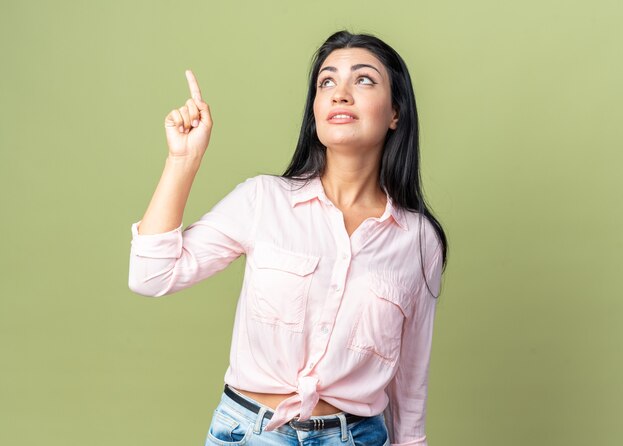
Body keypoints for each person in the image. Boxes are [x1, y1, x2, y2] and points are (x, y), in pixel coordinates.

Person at [128, 30, 448, 446]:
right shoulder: (264, 199)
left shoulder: (419, 241)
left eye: (364, 80)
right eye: (326, 82)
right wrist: (183, 159)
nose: (340, 94)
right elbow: (150, 275)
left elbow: (409, 383)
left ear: (395, 113)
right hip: (250, 434)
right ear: (315, 109)